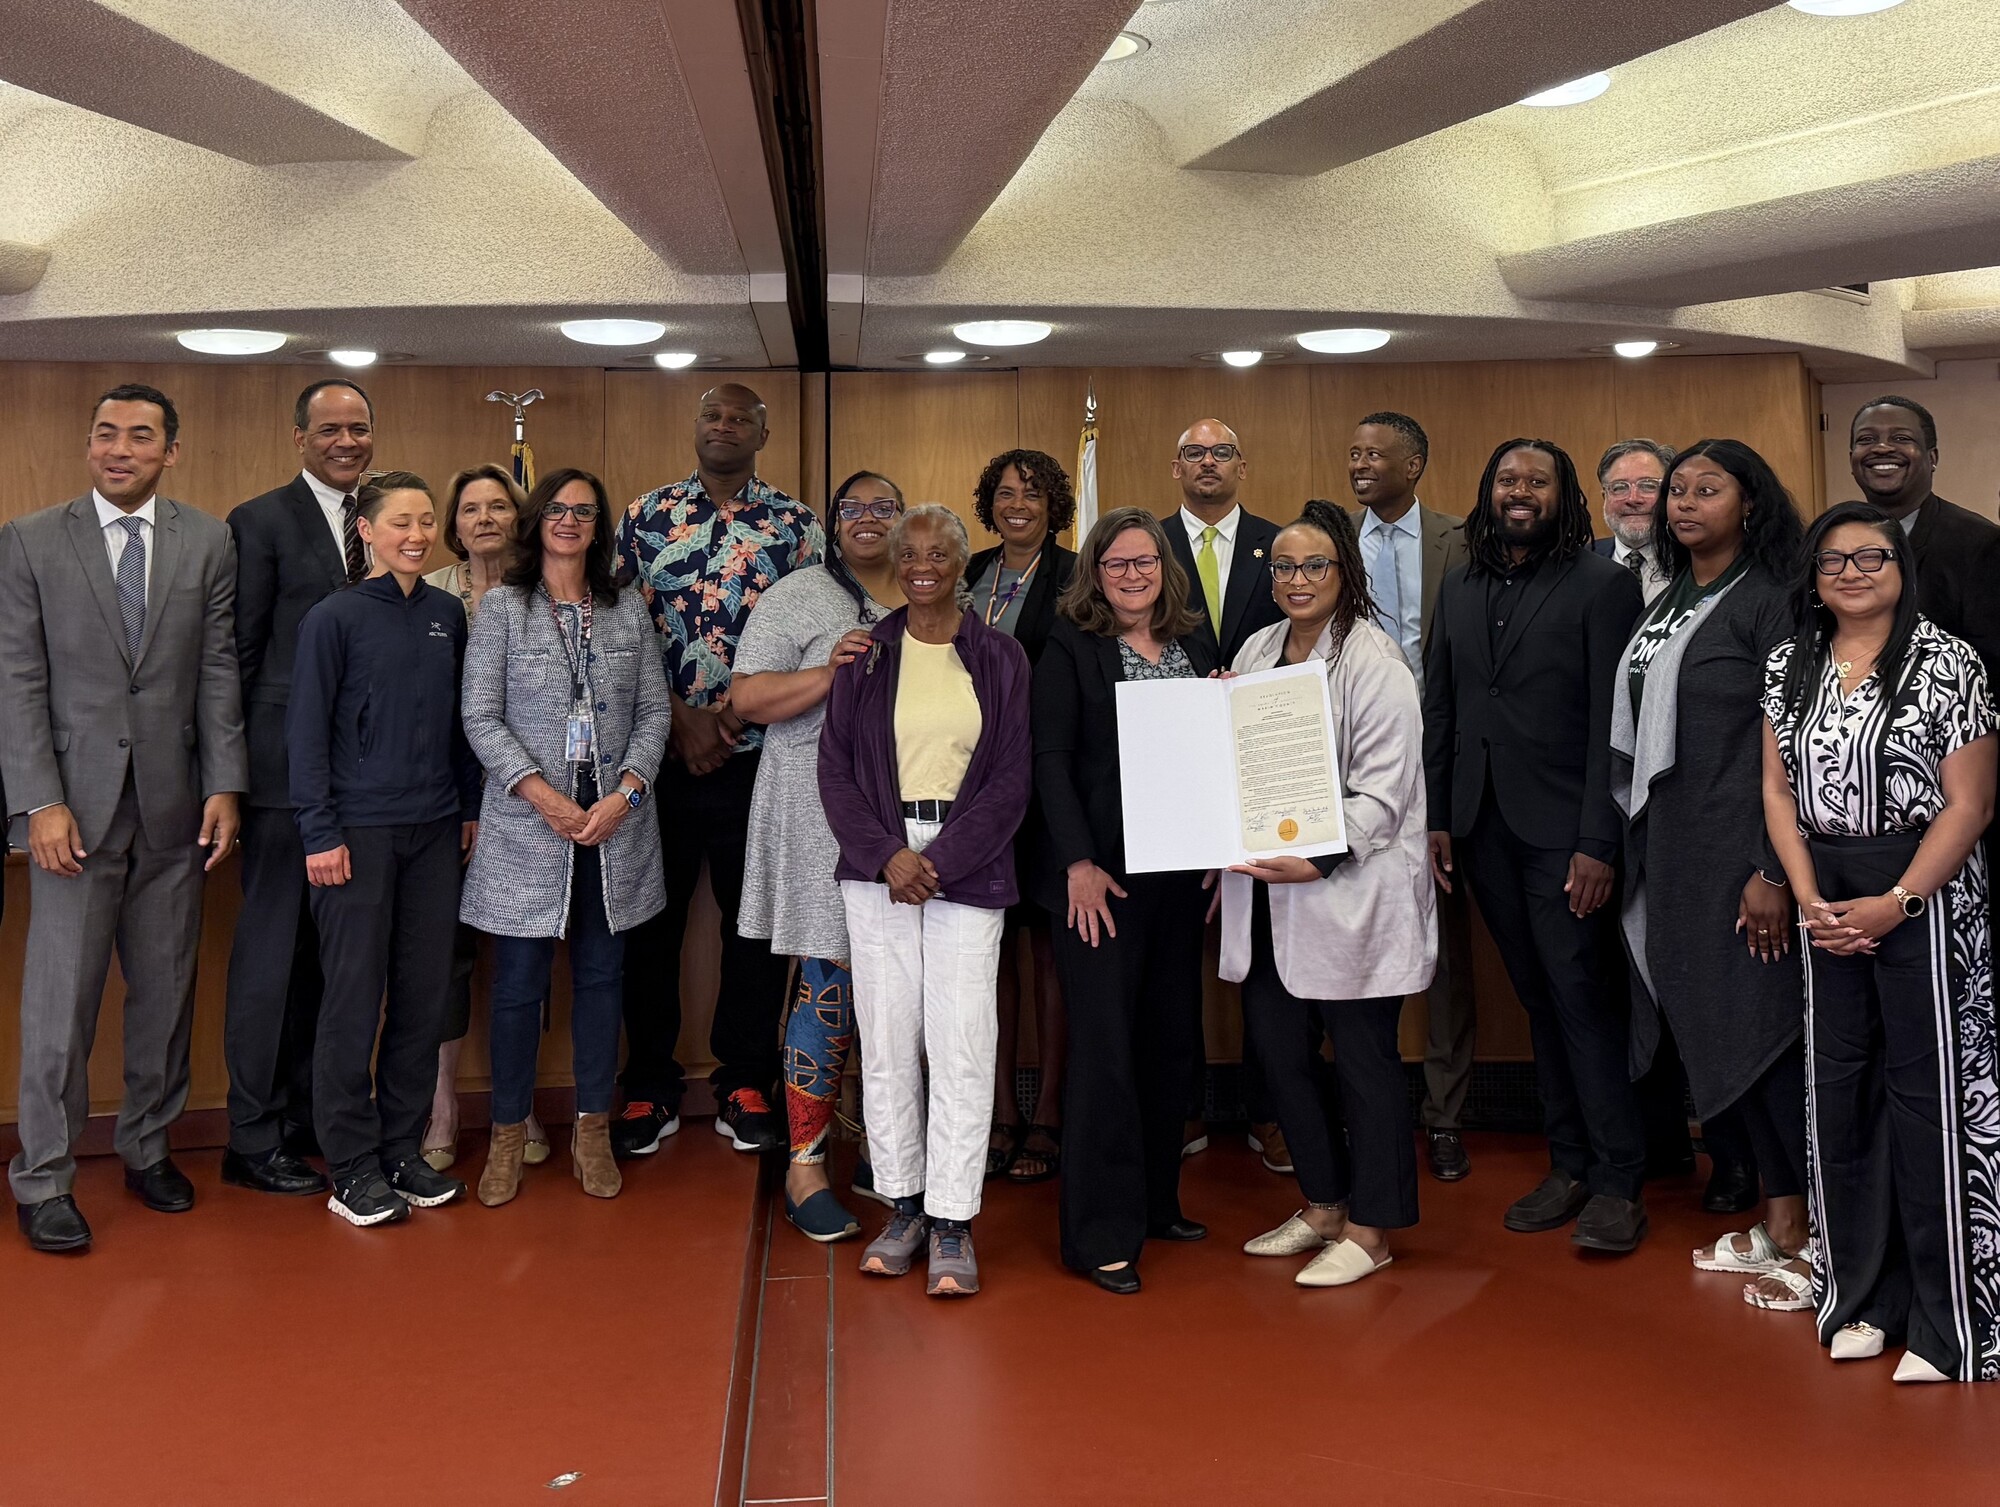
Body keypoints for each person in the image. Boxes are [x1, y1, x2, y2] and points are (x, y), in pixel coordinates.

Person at [0, 383, 246, 1253]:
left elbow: (217, 667)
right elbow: (17, 680)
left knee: (166, 992)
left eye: (140, 436)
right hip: (72, 814)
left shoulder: (208, 540)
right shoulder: (30, 539)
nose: (119, 448)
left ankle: (148, 1146)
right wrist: (39, 800)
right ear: (89, 444)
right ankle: (44, 1176)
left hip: (176, 807)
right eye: (106, 432)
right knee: (59, 1007)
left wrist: (226, 783)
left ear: (169, 451)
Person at [1761, 501, 1998, 1384]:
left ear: (1902, 567)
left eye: (1871, 556)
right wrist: (1809, 896)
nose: (1852, 573)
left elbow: (1971, 803)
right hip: (1827, 901)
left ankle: (1946, 1321)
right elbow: (1777, 792)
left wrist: (1898, 900)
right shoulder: (1788, 663)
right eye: (1834, 560)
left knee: (1930, 1099)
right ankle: (1861, 1297)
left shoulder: (1949, 661)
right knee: (1841, 1095)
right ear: (1813, 576)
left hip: (1924, 895)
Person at [1424, 438, 1650, 1252]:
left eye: (1537, 480)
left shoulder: (1602, 584)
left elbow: (1610, 727)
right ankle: (1570, 1163)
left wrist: (1598, 841)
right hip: (1482, 828)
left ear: (1564, 495)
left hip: (1566, 836)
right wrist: (1438, 815)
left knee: (1582, 996)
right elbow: (1442, 704)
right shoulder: (1458, 584)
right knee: (1538, 999)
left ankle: (1620, 1179)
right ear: (1489, 492)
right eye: (1508, 479)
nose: (1520, 491)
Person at [1608, 440, 1812, 1308]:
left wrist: (1771, 869)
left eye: (1708, 488)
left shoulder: (1772, 600)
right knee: (1721, 1036)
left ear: (1750, 503)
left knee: (1765, 1036)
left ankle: (1812, 1231)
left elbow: (1795, 743)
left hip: (1743, 856)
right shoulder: (1670, 597)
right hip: (1678, 852)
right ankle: (1781, 1216)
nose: (1685, 502)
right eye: (1678, 490)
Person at [818, 504, 1031, 1297]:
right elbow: (835, 770)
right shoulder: (865, 654)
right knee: (886, 1040)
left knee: (963, 1041)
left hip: (965, 868)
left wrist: (936, 863)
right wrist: (888, 857)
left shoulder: (1000, 656)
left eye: (938, 552)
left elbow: (1011, 778)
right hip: (879, 867)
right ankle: (902, 1206)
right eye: (909, 553)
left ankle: (952, 1219)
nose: (921, 565)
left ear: (962, 562)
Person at [1223, 501, 1434, 1287]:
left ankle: (1372, 1229)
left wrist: (1320, 855)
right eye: (1283, 566)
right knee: (1280, 1051)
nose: (1297, 579)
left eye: (1314, 565)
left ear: (1344, 571)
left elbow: (1386, 790)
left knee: (1364, 1062)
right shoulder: (1256, 649)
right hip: (1268, 893)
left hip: (1351, 888)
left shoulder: (1376, 660)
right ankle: (1324, 1202)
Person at [614, 383, 822, 1157]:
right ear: (695, 427)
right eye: (712, 414)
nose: (724, 425)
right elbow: (618, 630)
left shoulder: (797, 525)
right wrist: (678, 718)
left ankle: (745, 1081)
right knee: (648, 925)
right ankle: (649, 1083)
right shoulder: (644, 517)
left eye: (740, 417)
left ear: (763, 433)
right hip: (655, 756)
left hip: (757, 759)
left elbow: (812, 636)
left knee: (753, 927)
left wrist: (730, 718)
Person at [459, 469, 670, 1207]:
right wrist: (543, 796)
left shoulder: (626, 608)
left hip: (613, 826)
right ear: (537, 520)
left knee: (602, 979)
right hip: (528, 825)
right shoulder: (503, 608)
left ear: (599, 525)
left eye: (584, 511)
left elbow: (654, 714)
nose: (570, 520)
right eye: (556, 508)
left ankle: (592, 1130)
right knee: (517, 987)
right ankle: (507, 1135)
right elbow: (480, 716)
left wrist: (626, 793)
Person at [288, 471, 481, 1226]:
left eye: (426, 521)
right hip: (355, 836)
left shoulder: (445, 613)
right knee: (352, 999)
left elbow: (460, 724)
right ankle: (350, 1166)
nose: (416, 535)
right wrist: (319, 831)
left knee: (423, 997)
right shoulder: (332, 618)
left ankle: (401, 1150)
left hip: (434, 832)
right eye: (400, 522)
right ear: (366, 530)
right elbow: (305, 732)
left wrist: (466, 809)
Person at [1035, 507, 1218, 1294]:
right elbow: (1050, 758)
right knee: (1106, 1051)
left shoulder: (1197, 646)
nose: (1133, 575)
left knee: (1168, 1044)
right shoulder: (1070, 645)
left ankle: (1154, 1204)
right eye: (1117, 564)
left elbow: (1214, 752)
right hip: (1100, 885)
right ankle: (1099, 1234)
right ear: (1097, 574)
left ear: (1165, 570)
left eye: (1145, 562)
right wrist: (1076, 862)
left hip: (1180, 879)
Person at [733, 471, 907, 1241]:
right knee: (830, 975)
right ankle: (805, 1165)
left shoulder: (931, 589)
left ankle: (883, 1149)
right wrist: (828, 673)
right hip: (814, 810)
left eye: (883, 506)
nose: (868, 518)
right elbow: (746, 698)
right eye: (852, 507)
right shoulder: (797, 594)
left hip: (909, 812)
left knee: (899, 981)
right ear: (832, 522)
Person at [220, 377, 375, 1198]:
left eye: (359, 427)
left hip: (362, 781)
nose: (346, 441)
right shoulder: (260, 521)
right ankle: (250, 1135)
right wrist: (232, 777)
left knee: (327, 962)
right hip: (282, 777)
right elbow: (238, 657)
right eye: (329, 429)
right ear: (299, 438)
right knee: (271, 958)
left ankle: (311, 1116)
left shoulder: (383, 517)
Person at [1343, 410, 1475, 1183]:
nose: (1360, 464)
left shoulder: (1462, 540)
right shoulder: (1329, 544)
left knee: (1444, 950)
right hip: (1359, 769)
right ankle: (1362, 1105)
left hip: (1445, 762)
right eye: (1354, 453)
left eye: (1376, 453)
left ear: (1414, 463)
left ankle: (1445, 1113)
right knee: (1352, 935)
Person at [1160, 419, 1284, 1165]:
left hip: (1266, 768)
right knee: (1176, 953)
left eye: (1221, 452)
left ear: (1243, 464)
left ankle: (1271, 1110)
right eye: (1195, 453)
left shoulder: (1281, 545)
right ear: (1176, 467)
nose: (1208, 462)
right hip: (1174, 773)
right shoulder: (1143, 547)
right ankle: (1182, 1107)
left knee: (1268, 952)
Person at [1848, 395, 2000, 946]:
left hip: (1947, 789)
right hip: (1853, 802)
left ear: (1932, 456)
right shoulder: (1838, 542)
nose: (1882, 448)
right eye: (1866, 440)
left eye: (1901, 438)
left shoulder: (1979, 543)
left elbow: (1990, 672)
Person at [965, 449, 1078, 1185]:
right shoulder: (968, 571)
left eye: (1032, 494)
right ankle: (1001, 1110)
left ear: (1053, 506)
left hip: (1045, 786)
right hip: (972, 790)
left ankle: (1050, 1113)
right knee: (990, 950)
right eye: (1005, 493)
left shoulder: (1075, 577)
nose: (1017, 505)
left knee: (1049, 957)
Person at [420, 463, 535, 1172]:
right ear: (453, 526)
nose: (485, 518)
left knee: (522, 958)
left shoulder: (542, 591)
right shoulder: (427, 591)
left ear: (521, 519)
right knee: (446, 955)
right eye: (470, 509)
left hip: (527, 799)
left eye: (499, 506)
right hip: (442, 801)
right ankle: (442, 1103)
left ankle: (517, 1107)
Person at [1592, 440, 1675, 606]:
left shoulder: (1694, 561)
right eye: (1619, 487)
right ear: (1605, 497)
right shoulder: (1579, 564)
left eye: (1648, 486)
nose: (1633, 499)